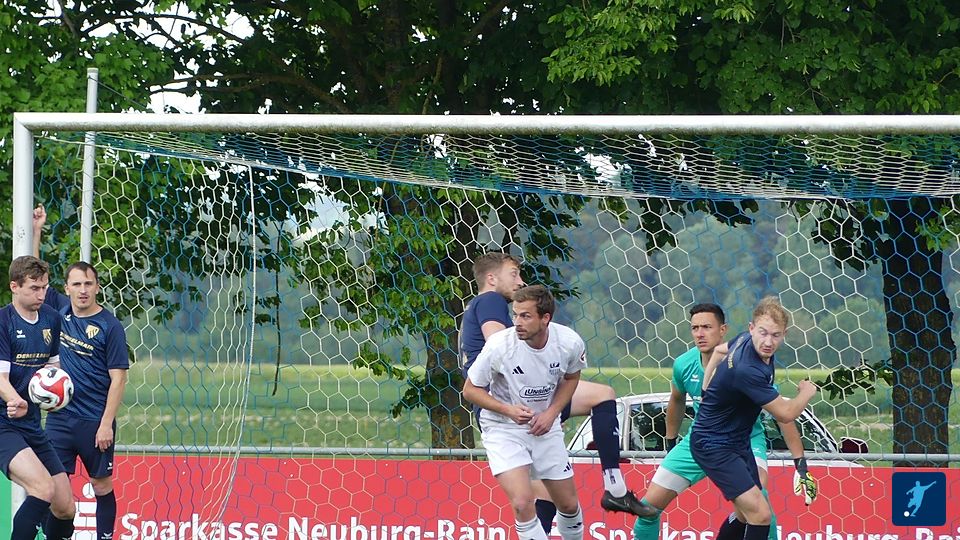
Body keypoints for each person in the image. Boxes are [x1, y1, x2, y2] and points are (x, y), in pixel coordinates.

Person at [458, 253, 652, 529]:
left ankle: (614, 489)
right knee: (534, 497)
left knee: (553, 495)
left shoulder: (477, 306)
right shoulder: (491, 301)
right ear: (491, 278)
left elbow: (567, 374)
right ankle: (614, 487)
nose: (520, 281)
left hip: (525, 395)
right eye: (513, 273)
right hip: (507, 397)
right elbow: (499, 344)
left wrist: (552, 409)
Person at [633, 303, 815, 540]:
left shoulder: (750, 356)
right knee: (648, 508)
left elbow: (783, 416)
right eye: (695, 328)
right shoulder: (685, 364)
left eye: (707, 327)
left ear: (723, 330)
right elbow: (676, 400)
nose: (700, 334)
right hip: (703, 438)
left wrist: (800, 463)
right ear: (751, 329)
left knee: (758, 506)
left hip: (746, 438)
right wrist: (670, 442)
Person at [34, 204, 131, 540]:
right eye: (76, 284)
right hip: (60, 419)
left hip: (94, 421)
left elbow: (119, 377)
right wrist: (37, 231)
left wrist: (106, 424)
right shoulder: (60, 310)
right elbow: (35, 276)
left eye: (88, 283)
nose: (83, 289)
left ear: (97, 287)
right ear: (67, 288)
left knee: (101, 484)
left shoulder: (110, 326)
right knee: (52, 486)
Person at [689, 296, 818, 540]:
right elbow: (786, 413)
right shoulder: (747, 369)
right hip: (713, 445)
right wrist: (806, 392)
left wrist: (705, 389)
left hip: (737, 442)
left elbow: (719, 351)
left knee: (745, 515)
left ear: (784, 334)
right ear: (752, 328)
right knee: (760, 514)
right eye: (763, 333)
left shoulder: (745, 340)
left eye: (775, 335)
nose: (768, 342)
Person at [462, 285, 585, 540]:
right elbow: (470, 390)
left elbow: (572, 378)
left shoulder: (569, 343)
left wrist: (552, 413)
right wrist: (507, 410)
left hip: (544, 427)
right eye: (515, 314)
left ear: (545, 318)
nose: (517, 322)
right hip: (503, 427)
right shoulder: (499, 345)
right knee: (521, 502)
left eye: (525, 316)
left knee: (568, 505)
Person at [0, 255, 76, 540]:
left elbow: (52, 369)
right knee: (42, 488)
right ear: (15, 287)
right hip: (4, 423)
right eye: (34, 288)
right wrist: (15, 400)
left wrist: (57, 392)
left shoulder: (51, 319)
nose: (41, 294)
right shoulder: (3, 321)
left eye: (44, 287)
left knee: (65, 507)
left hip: (31, 422)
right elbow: (0, 378)